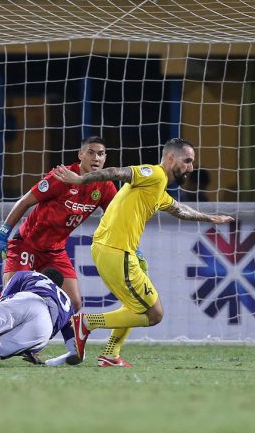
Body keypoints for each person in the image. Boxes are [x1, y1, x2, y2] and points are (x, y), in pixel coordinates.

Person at [53, 137, 234, 367]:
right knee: (154, 314)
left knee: (133, 306)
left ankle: (110, 353)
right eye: (187, 161)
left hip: (112, 249)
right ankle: (86, 323)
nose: (190, 167)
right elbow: (117, 172)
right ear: (170, 158)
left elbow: (179, 209)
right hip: (115, 250)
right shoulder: (154, 174)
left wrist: (209, 218)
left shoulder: (158, 188)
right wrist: (81, 179)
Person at [0, 136, 118, 312]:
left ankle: (46, 335)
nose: (96, 158)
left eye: (100, 154)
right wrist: (2, 233)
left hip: (55, 252)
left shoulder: (105, 187)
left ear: (105, 158)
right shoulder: (61, 176)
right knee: (12, 297)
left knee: (73, 303)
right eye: (90, 153)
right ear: (80, 154)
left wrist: (131, 246)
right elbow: (25, 201)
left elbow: (116, 218)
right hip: (27, 244)